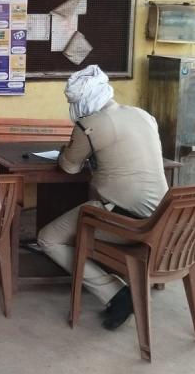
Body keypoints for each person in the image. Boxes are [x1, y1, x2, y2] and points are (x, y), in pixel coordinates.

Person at [37, 65, 168, 331]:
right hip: (161, 220)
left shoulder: (88, 125)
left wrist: (65, 151)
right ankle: (113, 281)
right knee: (84, 213)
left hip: (124, 221)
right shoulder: (143, 115)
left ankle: (115, 292)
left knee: (48, 238)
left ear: (82, 101)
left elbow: (69, 167)